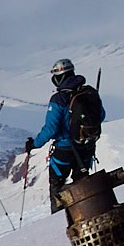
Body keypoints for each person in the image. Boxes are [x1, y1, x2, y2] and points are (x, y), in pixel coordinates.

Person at [26, 58, 98, 213]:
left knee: (57, 187)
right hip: (86, 146)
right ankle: (87, 213)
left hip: (65, 150)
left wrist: (34, 144)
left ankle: (58, 219)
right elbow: (102, 115)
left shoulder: (58, 99)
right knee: (82, 182)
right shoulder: (89, 92)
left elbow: (51, 129)